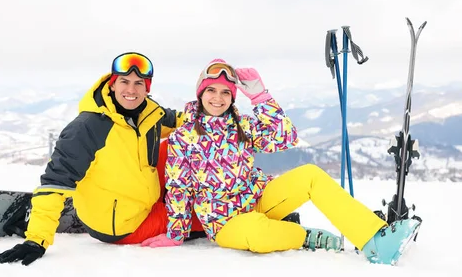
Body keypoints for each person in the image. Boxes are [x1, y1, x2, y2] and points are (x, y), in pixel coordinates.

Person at [140, 59, 421, 265]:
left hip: (259, 198)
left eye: (226, 92)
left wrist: (261, 98)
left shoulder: (242, 125)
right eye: (212, 90)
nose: (218, 98)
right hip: (224, 222)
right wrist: (176, 234)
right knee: (258, 236)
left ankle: (375, 240)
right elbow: (179, 187)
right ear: (200, 93)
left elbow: (286, 137)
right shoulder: (183, 137)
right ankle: (302, 236)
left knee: (310, 175)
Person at [0, 52, 204, 266]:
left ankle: (204, 187)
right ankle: (204, 203)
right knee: (204, 215)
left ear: (147, 88)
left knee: (180, 142)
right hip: (126, 224)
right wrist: (36, 240)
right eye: (124, 82)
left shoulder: (149, 112)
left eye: (139, 83)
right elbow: (56, 181)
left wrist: (219, 111)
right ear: (112, 84)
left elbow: (180, 121)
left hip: (142, 190)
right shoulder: (87, 128)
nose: (131, 90)